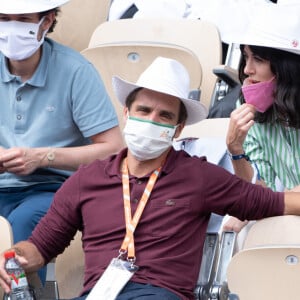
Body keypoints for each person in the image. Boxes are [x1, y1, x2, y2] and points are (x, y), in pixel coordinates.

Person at [1, 56, 300, 300]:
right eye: (143, 110)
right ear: (126, 114)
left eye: (164, 116)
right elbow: (39, 248)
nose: (151, 120)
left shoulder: (200, 176)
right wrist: (15, 257)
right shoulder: (87, 179)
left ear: (179, 128)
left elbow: (275, 202)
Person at [0, 0, 123, 281]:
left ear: (47, 20)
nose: (10, 27)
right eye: (4, 18)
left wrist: (43, 157)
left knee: (23, 225)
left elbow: (113, 150)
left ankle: (19, 294)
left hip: (53, 190)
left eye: (22, 19)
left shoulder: (75, 71)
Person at [224, 3, 300, 232]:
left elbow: (260, 201)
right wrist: (235, 148)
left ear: (285, 66)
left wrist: (262, 204)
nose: (247, 69)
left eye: (257, 58)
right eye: (245, 57)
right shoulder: (250, 109)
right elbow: (258, 188)